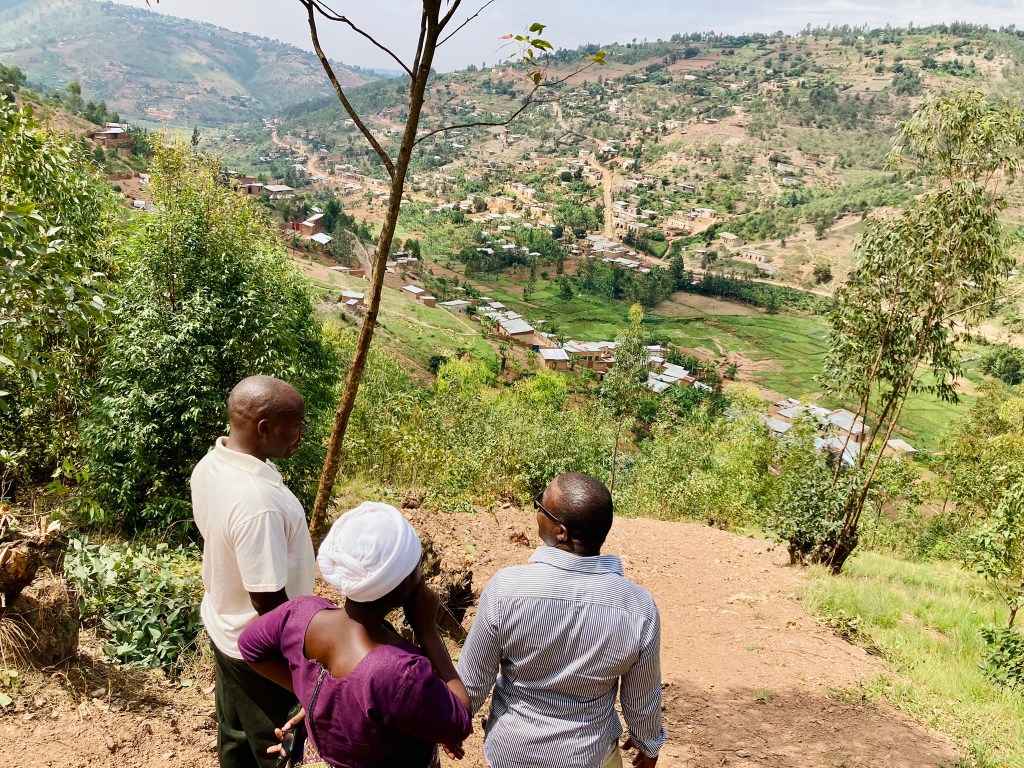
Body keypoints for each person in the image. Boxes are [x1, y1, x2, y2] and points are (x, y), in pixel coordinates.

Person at [238, 502, 473, 768]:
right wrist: (427, 630)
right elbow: (459, 722)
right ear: (405, 585)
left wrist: (316, 698)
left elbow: (249, 647)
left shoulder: (300, 614)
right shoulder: (401, 673)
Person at [458, 473, 664, 768]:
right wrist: (648, 743)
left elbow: (474, 679)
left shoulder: (506, 590)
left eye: (540, 506)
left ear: (561, 532)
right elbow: (642, 696)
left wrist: (454, 725)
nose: (536, 511)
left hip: (512, 752)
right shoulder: (638, 607)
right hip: (589, 756)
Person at [191, 375, 315, 768]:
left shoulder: (212, 464)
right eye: (296, 425)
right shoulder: (257, 502)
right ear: (264, 429)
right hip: (261, 653)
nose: (301, 434)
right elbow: (268, 602)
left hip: (225, 626)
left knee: (235, 737)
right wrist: (304, 667)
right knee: (275, 747)